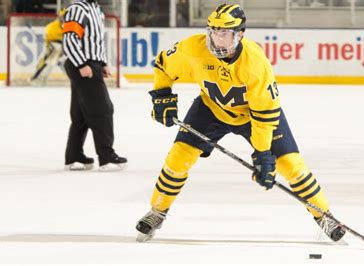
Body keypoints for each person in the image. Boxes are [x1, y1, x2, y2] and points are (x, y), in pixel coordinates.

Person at [135, 4, 346, 242]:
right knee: (178, 158)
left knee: (290, 165)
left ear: (240, 34)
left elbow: (264, 115)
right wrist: (162, 97)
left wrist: (263, 154)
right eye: (213, 31)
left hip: (253, 117)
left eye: (224, 33)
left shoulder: (255, 64)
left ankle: (323, 216)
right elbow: (163, 65)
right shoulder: (192, 48)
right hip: (211, 109)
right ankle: (157, 211)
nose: (217, 39)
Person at [62, 0, 126, 171]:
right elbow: (69, 39)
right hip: (83, 65)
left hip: (92, 64)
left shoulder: (96, 9)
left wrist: (103, 62)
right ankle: (106, 157)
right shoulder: (78, 8)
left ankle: (74, 155)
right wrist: (81, 64)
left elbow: (96, 40)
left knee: (81, 114)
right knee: (103, 110)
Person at [29, 8, 67, 86]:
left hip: (64, 47)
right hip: (54, 46)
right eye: (64, 16)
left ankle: (73, 78)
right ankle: (36, 78)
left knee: (65, 62)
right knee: (49, 61)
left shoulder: (70, 25)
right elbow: (49, 41)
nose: (65, 18)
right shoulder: (52, 27)